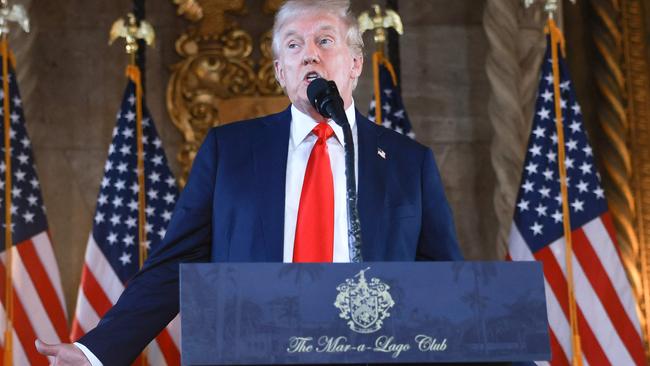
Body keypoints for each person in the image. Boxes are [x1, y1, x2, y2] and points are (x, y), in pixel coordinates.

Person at [36, 0, 463, 364]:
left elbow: (449, 285)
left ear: (354, 64)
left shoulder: (409, 162)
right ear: (281, 71)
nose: (308, 55)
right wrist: (96, 352)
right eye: (294, 45)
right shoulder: (230, 150)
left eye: (324, 41)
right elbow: (173, 265)